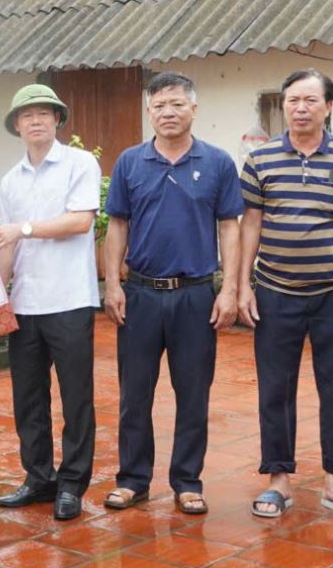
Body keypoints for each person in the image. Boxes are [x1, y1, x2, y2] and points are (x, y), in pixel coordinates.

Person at [239, 68, 333, 522]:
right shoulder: (260, 160)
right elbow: (251, 224)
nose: (300, 108)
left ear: (328, 106)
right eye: (292, 100)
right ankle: (278, 481)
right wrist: (242, 283)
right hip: (276, 292)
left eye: (309, 100)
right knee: (275, 389)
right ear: (283, 106)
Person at [102, 72, 242, 516]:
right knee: (134, 394)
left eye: (177, 104)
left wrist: (230, 290)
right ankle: (132, 479)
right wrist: (112, 284)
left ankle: (187, 480)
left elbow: (229, 228)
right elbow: (117, 226)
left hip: (196, 296)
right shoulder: (130, 162)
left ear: (194, 109)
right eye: (160, 105)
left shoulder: (218, 162)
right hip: (140, 294)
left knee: (194, 392)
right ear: (150, 111)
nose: (168, 112)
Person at [0, 84, 101, 522]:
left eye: (44, 113)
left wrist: (23, 229)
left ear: (57, 120)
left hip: (69, 298)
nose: (35, 120)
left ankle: (72, 484)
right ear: (16, 125)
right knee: (28, 399)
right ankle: (37, 477)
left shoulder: (79, 163)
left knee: (76, 398)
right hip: (26, 303)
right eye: (26, 115)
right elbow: (6, 246)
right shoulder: (11, 179)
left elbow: (79, 220)